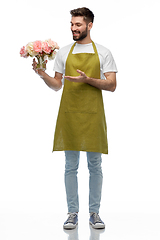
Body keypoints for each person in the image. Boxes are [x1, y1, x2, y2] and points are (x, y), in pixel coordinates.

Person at [32, 7, 117, 230]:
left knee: (95, 165)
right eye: (72, 24)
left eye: (78, 24)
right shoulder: (64, 52)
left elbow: (112, 85)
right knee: (70, 166)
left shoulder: (104, 52)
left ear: (89, 25)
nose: (73, 28)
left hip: (93, 114)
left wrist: (89, 80)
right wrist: (43, 75)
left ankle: (95, 213)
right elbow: (57, 85)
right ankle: (72, 213)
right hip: (69, 113)